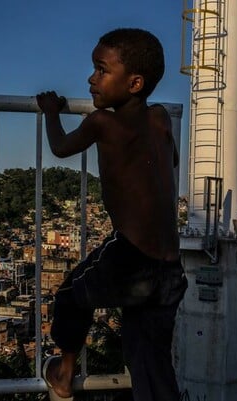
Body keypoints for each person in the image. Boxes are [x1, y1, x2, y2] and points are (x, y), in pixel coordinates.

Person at [37, 28, 187, 401]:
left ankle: (63, 372)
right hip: (170, 265)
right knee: (150, 358)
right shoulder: (161, 119)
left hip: (133, 256)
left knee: (72, 294)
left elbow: (59, 148)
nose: (91, 79)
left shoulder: (102, 122)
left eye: (101, 70)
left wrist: (51, 112)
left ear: (134, 82)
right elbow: (172, 160)